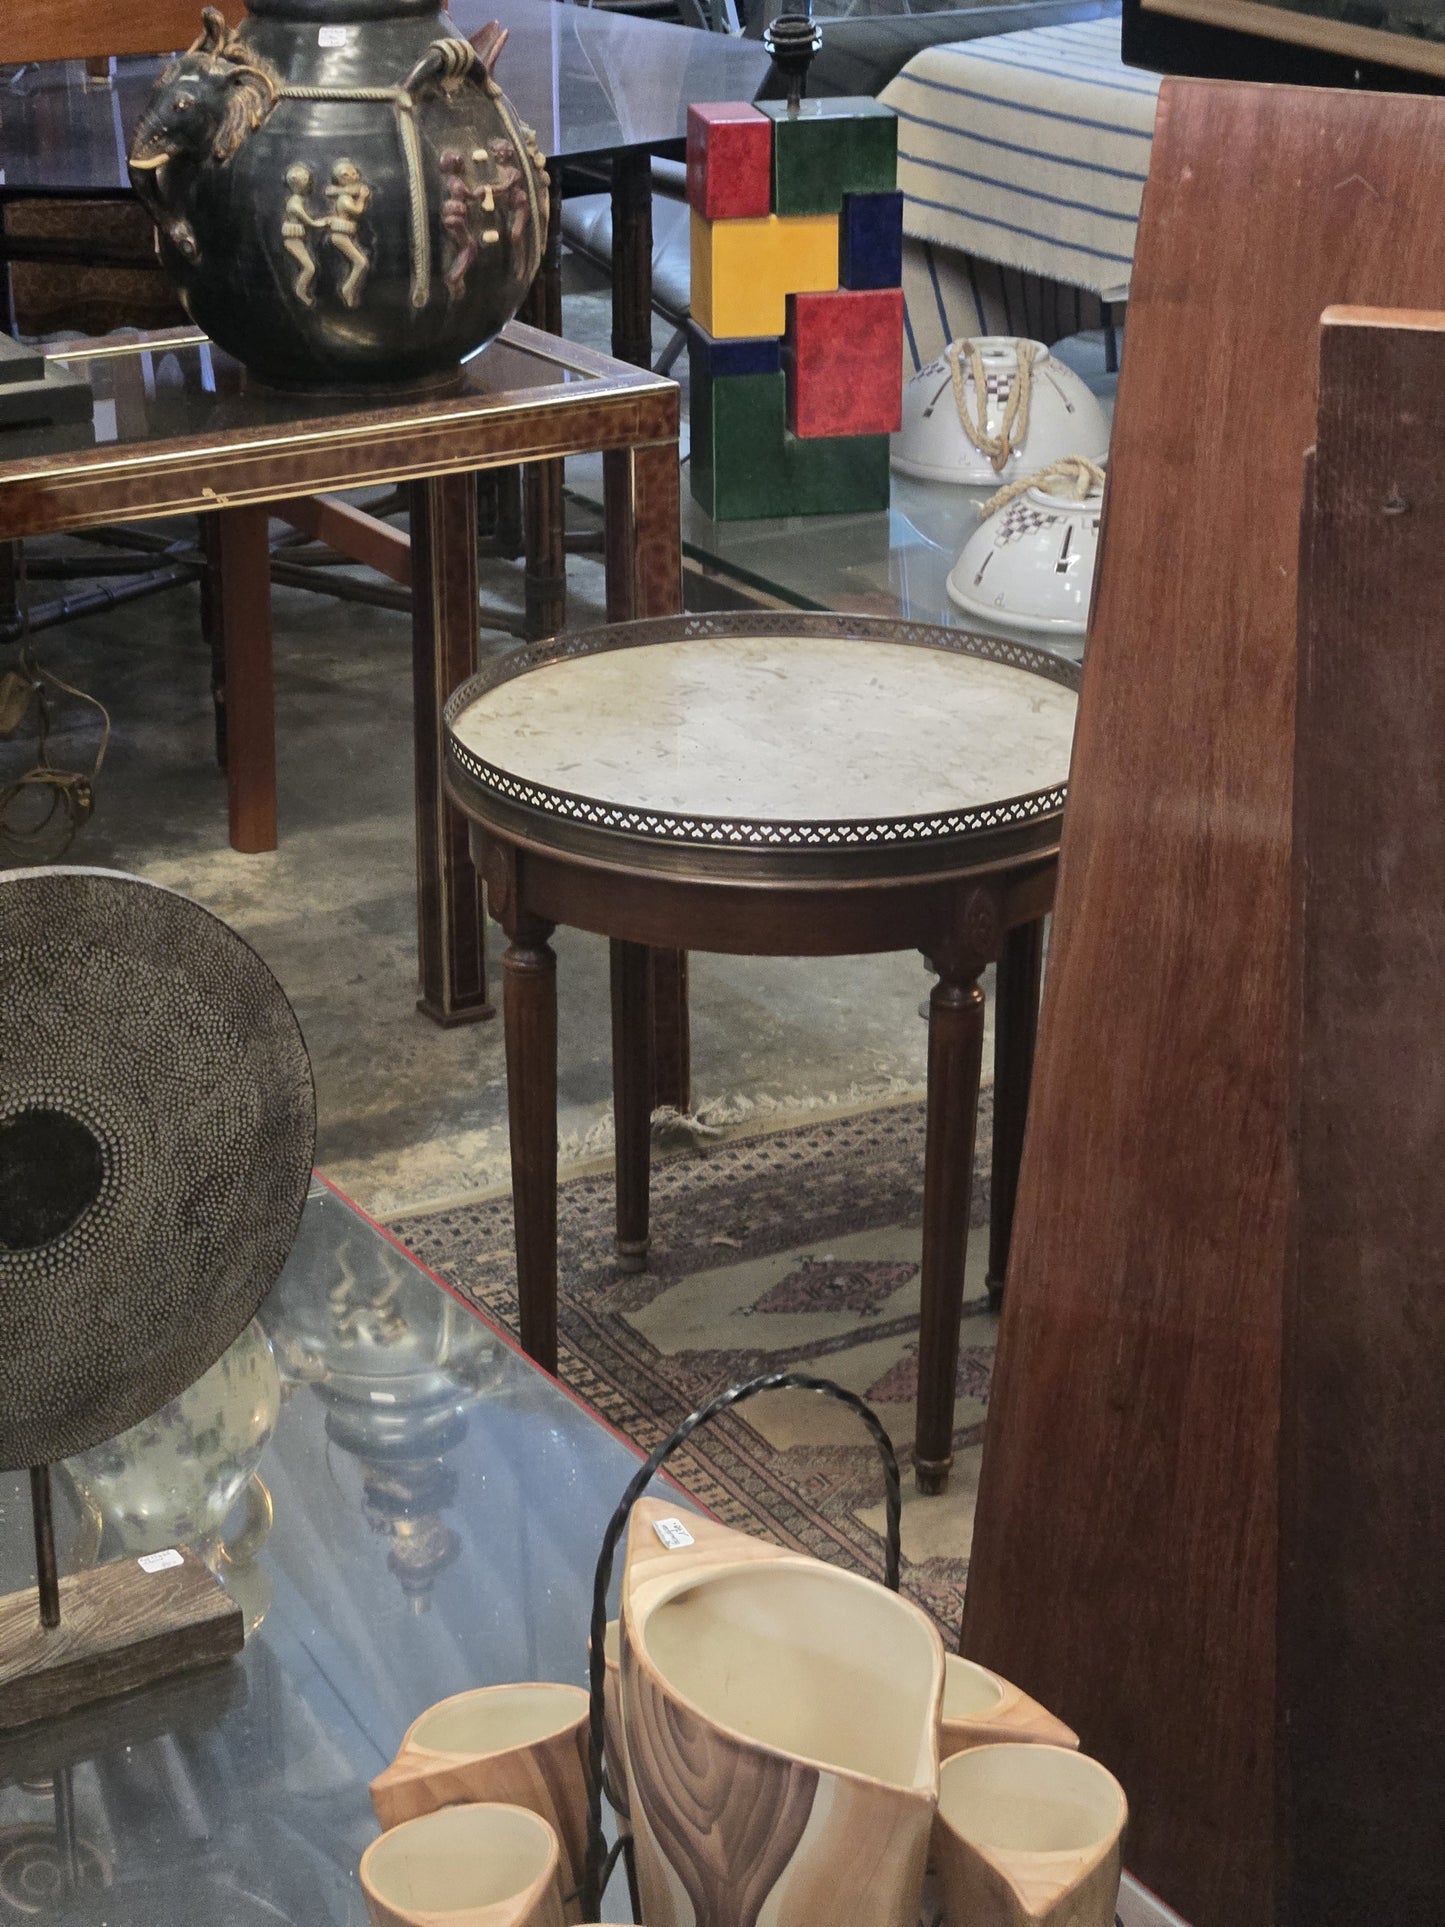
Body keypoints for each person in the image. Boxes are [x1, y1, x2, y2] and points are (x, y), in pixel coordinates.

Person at [323, 158, 372, 309]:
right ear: (343, 177)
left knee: (360, 262)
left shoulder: (344, 195)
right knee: (361, 262)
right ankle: (347, 288)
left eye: (356, 172)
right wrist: (362, 198)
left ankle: (348, 288)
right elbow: (357, 211)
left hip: (344, 234)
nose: (356, 176)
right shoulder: (344, 199)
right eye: (351, 174)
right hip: (340, 235)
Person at [280, 162, 325, 307]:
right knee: (309, 267)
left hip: (296, 237)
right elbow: (307, 220)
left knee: (309, 266)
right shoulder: (294, 203)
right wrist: (320, 223)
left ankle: (301, 291)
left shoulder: (297, 200)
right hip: (293, 239)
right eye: (308, 183)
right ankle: (300, 291)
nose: (311, 186)